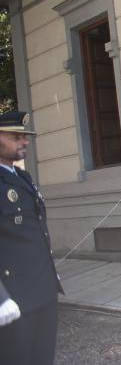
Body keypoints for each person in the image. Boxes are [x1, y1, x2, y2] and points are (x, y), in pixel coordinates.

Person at [0, 111, 62, 365]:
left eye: (25, 137)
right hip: (13, 298)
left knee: (43, 358)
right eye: (16, 137)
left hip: (43, 291)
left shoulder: (21, 177)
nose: (24, 142)